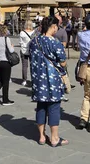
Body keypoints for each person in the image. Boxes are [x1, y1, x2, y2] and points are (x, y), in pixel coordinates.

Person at [29, 16, 69, 146]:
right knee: (53, 107)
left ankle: (41, 136)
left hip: (38, 79)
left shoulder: (34, 41)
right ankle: (54, 138)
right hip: (52, 81)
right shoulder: (55, 43)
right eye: (56, 27)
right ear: (53, 27)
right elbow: (63, 62)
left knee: (40, 107)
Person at [19, 20, 35, 87]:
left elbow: (20, 42)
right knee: (33, 66)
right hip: (32, 50)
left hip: (24, 50)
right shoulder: (34, 32)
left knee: (24, 66)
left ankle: (24, 80)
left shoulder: (22, 33)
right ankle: (33, 79)